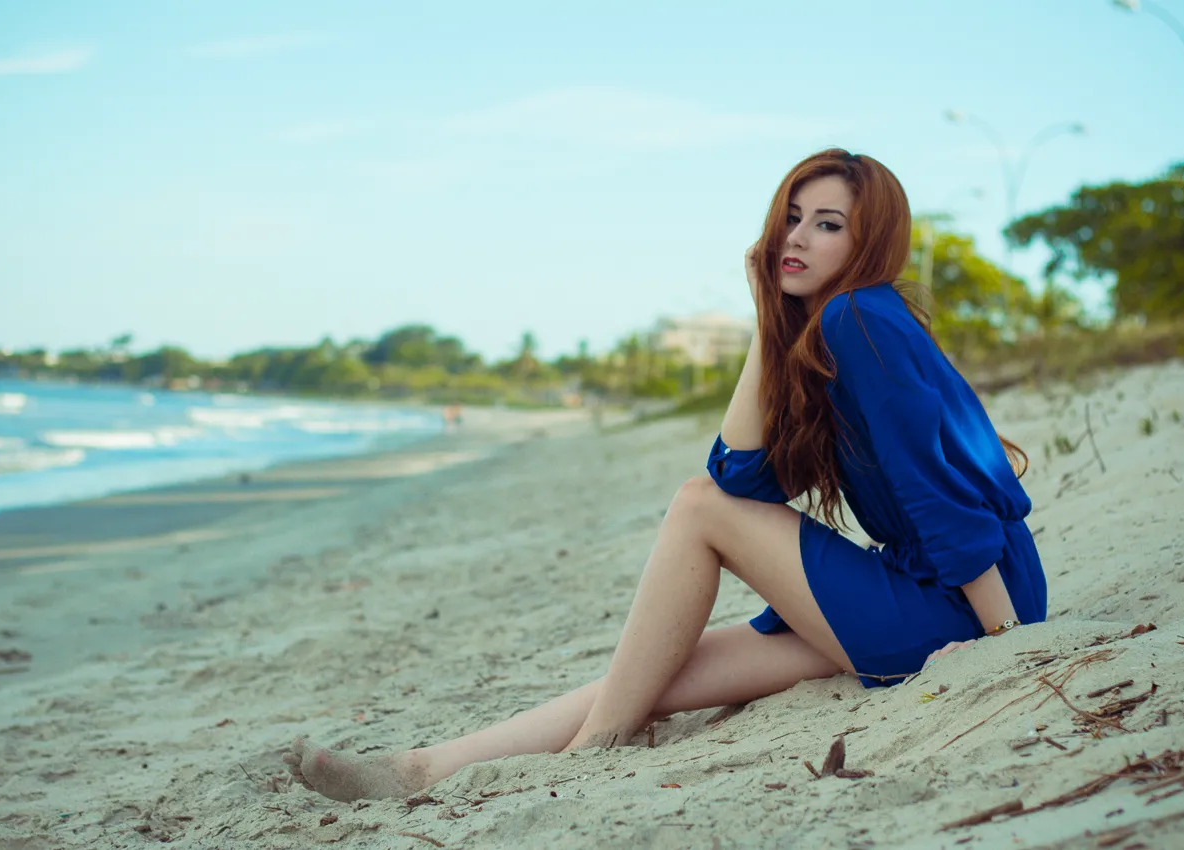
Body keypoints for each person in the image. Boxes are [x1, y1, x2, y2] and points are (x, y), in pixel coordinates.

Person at [282, 149, 1046, 802]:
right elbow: (743, 471)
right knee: (661, 668)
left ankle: (594, 749)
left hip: (964, 604)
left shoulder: (861, 319)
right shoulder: (826, 331)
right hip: (926, 593)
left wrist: (1000, 640)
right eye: (792, 216)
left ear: (869, 240)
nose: (797, 236)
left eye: (827, 224)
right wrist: (767, 319)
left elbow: (935, 491)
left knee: (694, 508)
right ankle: (419, 769)